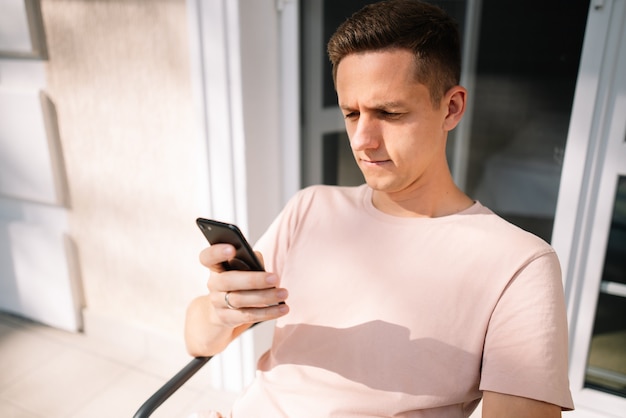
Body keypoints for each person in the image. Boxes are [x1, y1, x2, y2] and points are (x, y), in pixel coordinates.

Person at [184, 0, 574, 416]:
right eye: (351, 113)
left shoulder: (520, 264)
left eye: (389, 112)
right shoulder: (312, 207)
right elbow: (197, 340)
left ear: (452, 107)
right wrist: (222, 309)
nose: (361, 140)